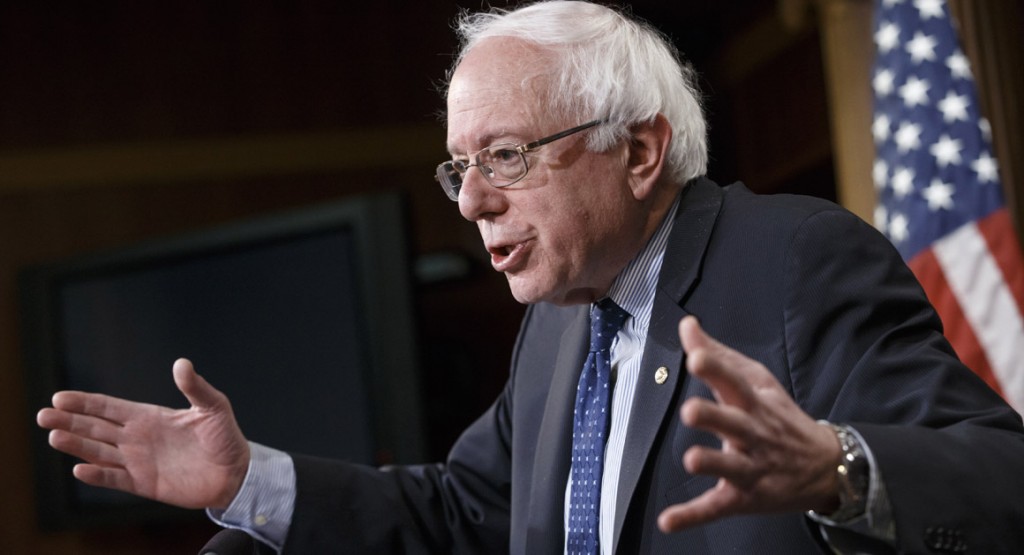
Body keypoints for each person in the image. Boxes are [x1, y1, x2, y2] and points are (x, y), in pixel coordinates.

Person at [36, 1, 1024, 553]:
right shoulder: (560, 325)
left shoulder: (795, 259)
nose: (469, 204)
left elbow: (1001, 480)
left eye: (503, 158)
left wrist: (836, 470)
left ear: (638, 153)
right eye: (459, 170)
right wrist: (252, 481)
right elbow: (465, 513)